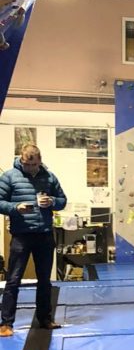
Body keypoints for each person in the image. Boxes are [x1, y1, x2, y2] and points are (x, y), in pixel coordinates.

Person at [0, 143, 67, 336]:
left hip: (44, 234)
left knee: (44, 280)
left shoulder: (49, 177)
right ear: (21, 159)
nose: (31, 168)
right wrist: (15, 207)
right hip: (21, 235)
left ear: (40, 161)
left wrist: (53, 202)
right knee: (13, 280)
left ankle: (45, 319)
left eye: (35, 165)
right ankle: (6, 323)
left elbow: (63, 200)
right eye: (27, 165)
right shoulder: (9, 177)